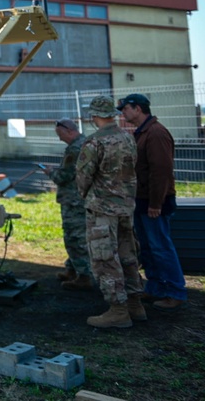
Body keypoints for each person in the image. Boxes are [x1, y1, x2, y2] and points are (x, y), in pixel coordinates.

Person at [75, 95, 144, 329]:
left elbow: (83, 177)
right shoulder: (128, 137)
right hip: (125, 206)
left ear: (94, 116)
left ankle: (118, 310)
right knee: (127, 253)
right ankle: (135, 303)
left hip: (102, 208)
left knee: (105, 258)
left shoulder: (94, 142)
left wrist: (86, 196)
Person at [118, 93, 187, 310]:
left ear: (138, 109)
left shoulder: (155, 133)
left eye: (125, 108)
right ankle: (156, 288)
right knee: (148, 247)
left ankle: (175, 291)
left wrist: (156, 203)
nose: (123, 113)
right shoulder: (143, 132)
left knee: (161, 247)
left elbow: (161, 171)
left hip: (154, 202)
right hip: (143, 200)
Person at [43, 118, 92, 290]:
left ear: (69, 131)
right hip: (82, 198)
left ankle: (84, 275)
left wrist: (50, 172)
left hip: (74, 201)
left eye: (60, 134)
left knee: (74, 238)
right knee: (77, 236)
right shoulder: (85, 143)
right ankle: (72, 268)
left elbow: (63, 177)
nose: (59, 138)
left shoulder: (74, 149)